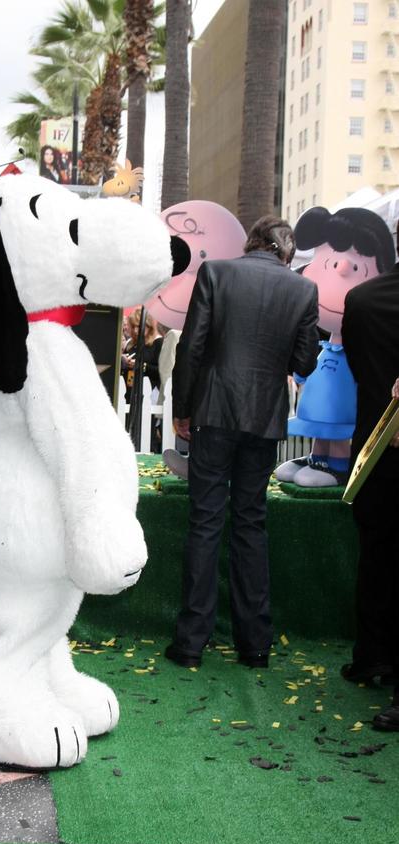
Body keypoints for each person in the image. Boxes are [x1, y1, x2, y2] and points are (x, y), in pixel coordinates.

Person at [166, 216, 320, 670]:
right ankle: (255, 645)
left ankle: (191, 642)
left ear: (251, 242)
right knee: (251, 524)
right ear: (286, 253)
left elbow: (191, 347)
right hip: (264, 418)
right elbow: (305, 362)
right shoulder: (303, 291)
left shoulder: (217, 273)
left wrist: (182, 409)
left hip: (214, 412)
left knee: (205, 523)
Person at [340, 231, 399, 730]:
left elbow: (361, 369)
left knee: (376, 553)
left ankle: (370, 654)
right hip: (382, 443)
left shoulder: (361, 302)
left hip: (375, 447)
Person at [121, 307, 162, 399]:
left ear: (149, 326)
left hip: (149, 394)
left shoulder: (158, 342)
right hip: (128, 393)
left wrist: (142, 366)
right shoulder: (130, 343)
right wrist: (125, 362)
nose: (135, 331)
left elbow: (162, 371)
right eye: (133, 326)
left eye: (139, 326)